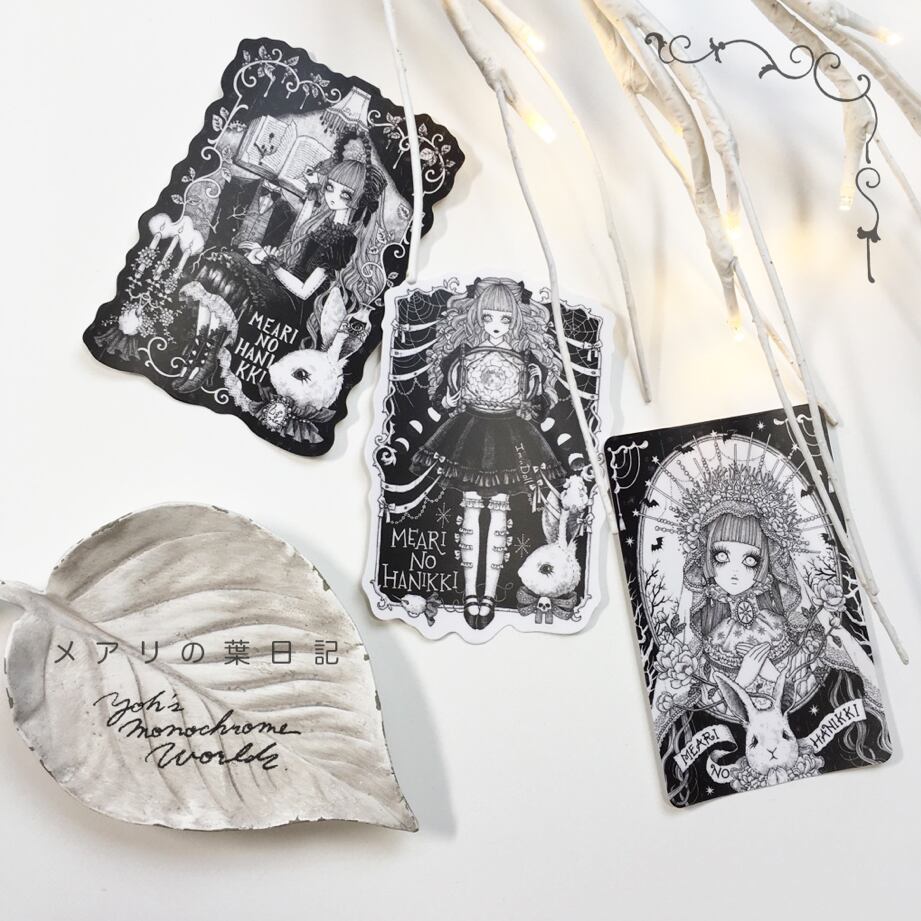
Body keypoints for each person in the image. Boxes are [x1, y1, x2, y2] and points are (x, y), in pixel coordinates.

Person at [409, 277, 566, 630]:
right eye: (488, 317)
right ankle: (470, 594)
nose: (496, 325)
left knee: (498, 509)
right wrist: (450, 398)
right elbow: (444, 398)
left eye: (505, 319)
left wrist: (529, 398)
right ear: (476, 317)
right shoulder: (462, 354)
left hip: (510, 433)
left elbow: (538, 404)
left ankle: (489, 595)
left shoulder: (527, 359)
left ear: (517, 321)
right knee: (470, 508)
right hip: (470, 431)